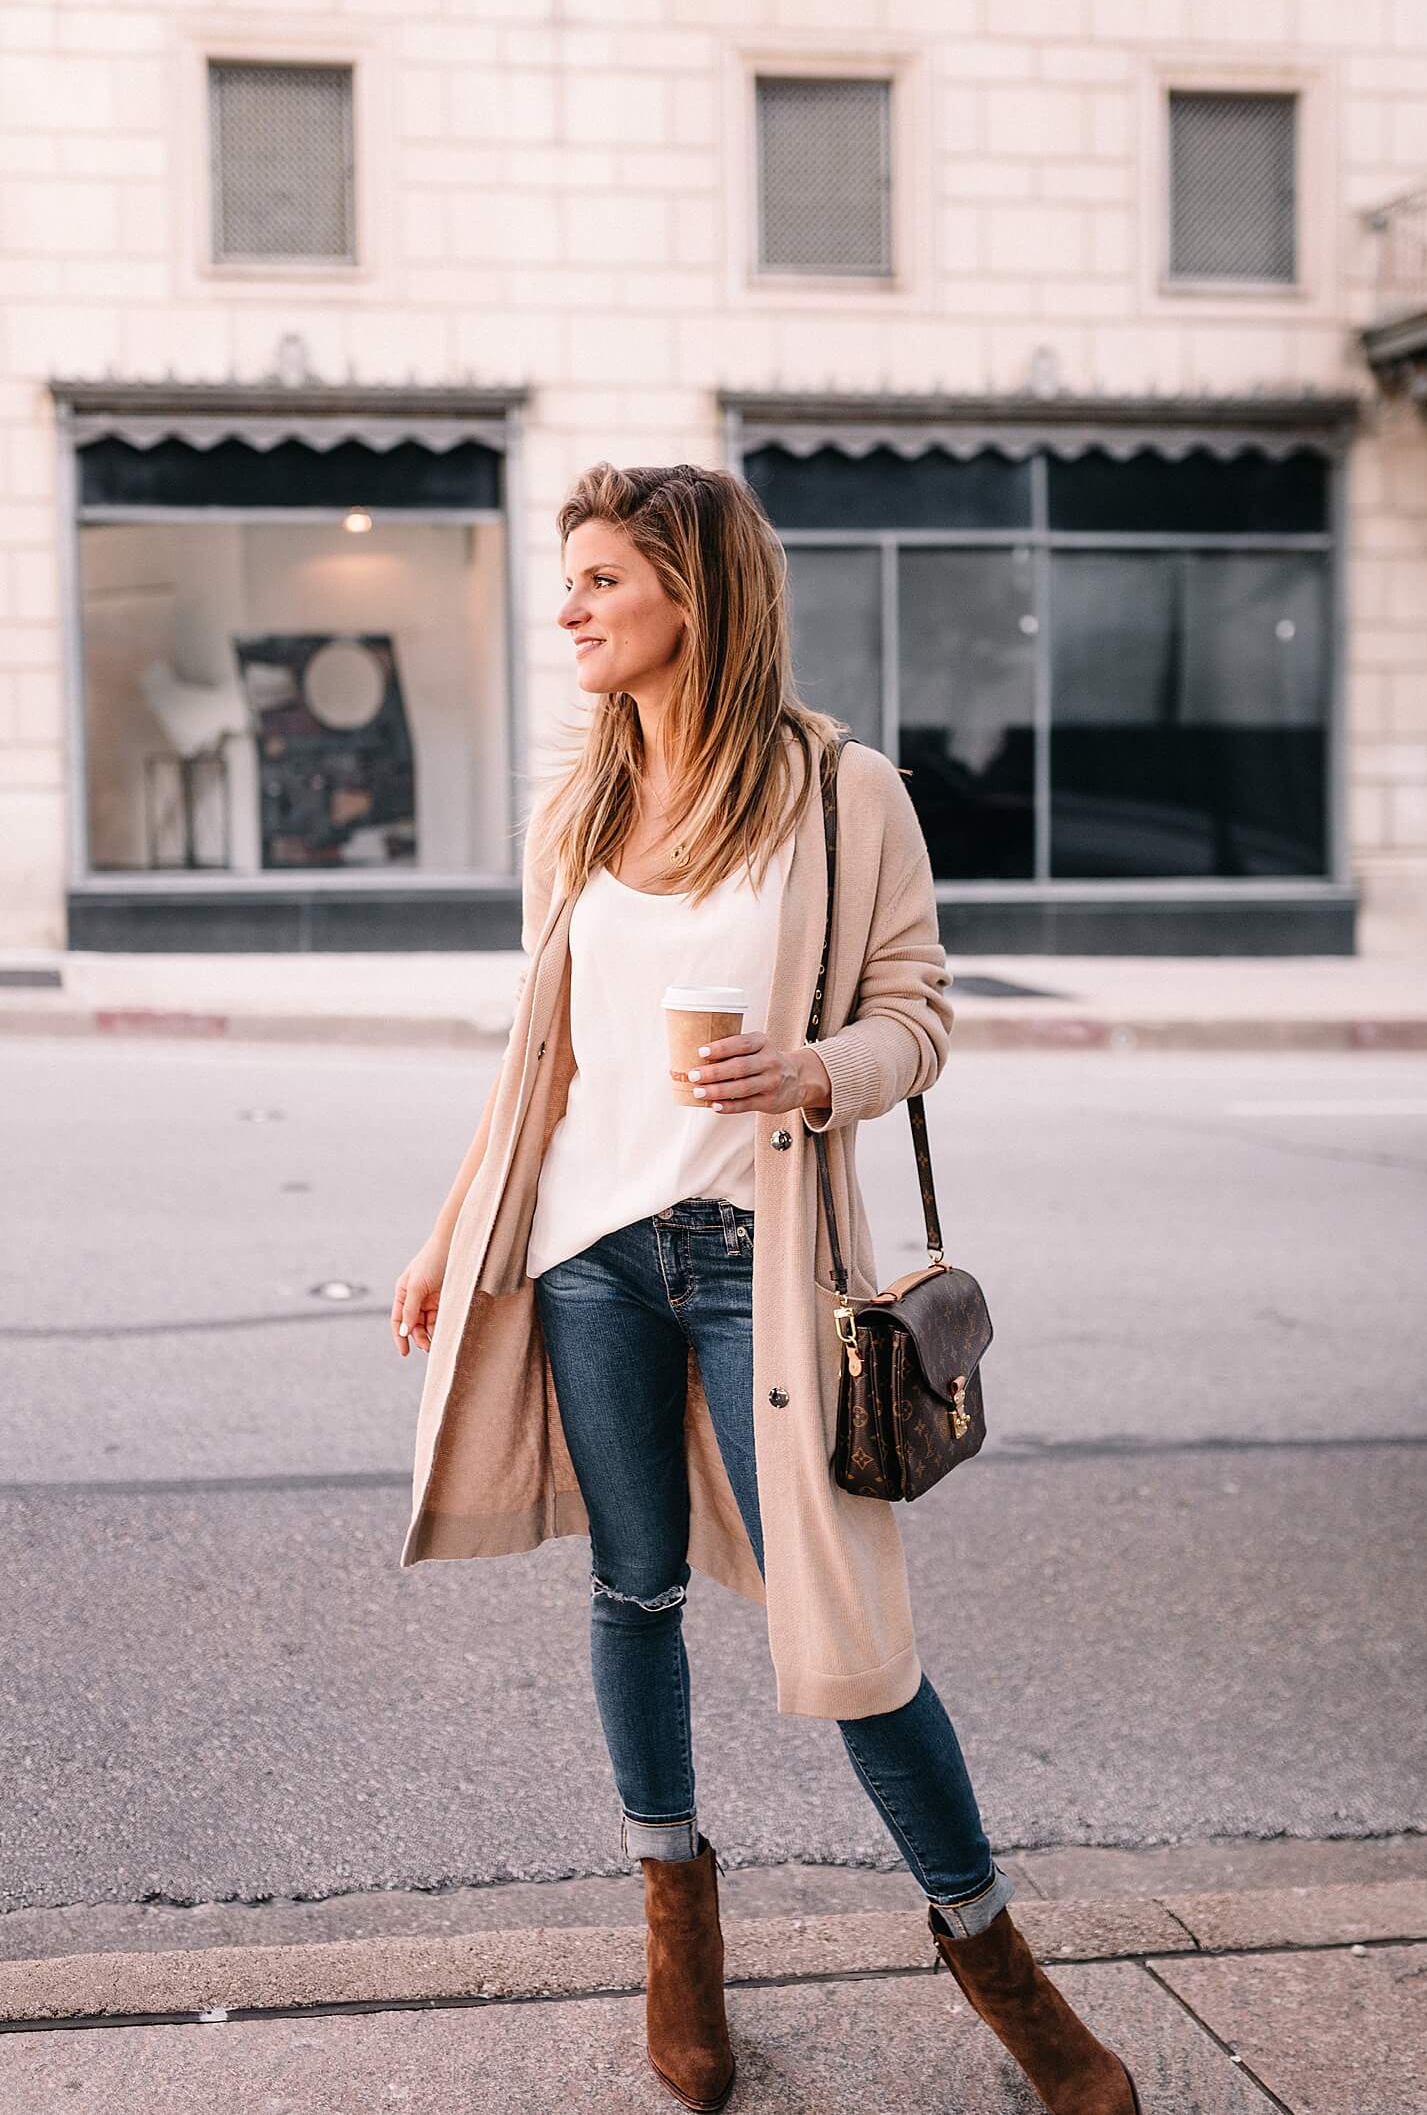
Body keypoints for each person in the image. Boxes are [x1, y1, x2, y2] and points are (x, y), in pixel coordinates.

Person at [393, 462, 1140, 2115]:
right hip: (588, 1256)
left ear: (695, 596)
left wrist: (816, 1071)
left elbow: (920, 1014)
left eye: (598, 578)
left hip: (759, 1270)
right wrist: (454, 1235)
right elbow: (541, 1063)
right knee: (634, 1592)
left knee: (855, 1637)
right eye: (569, 579)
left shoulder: (839, 791)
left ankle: (1003, 1969)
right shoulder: (573, 810)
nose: (569, 606)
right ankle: (679, 1932)